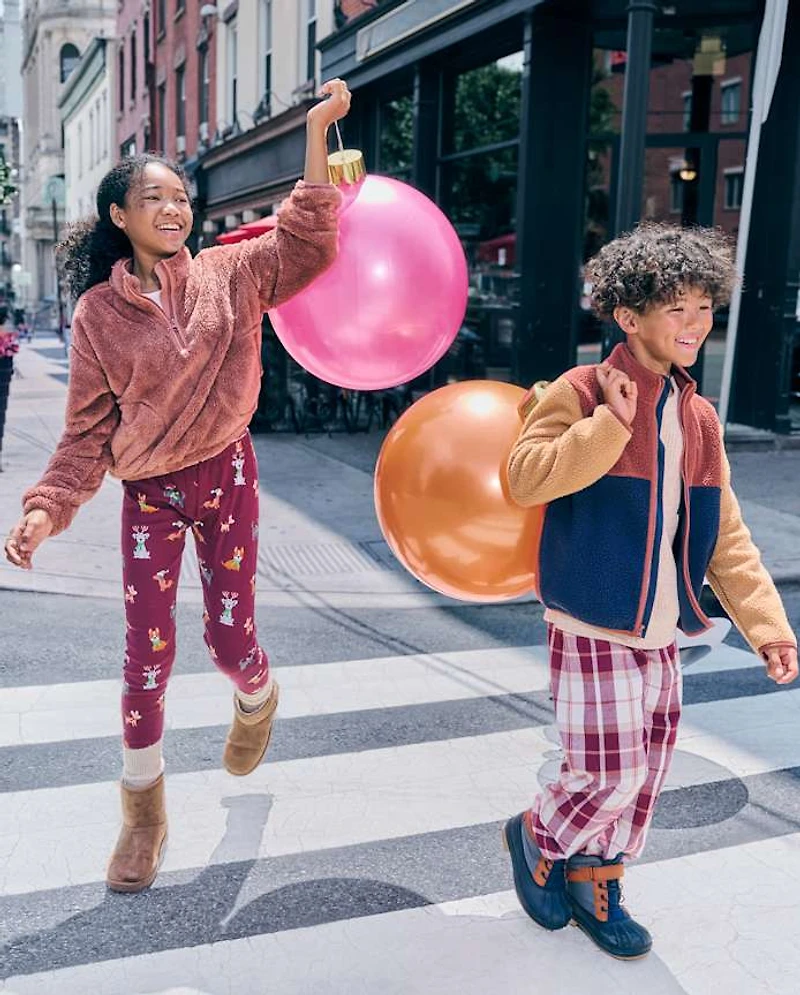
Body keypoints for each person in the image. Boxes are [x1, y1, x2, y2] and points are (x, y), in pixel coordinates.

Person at [3, 78, 351, 893]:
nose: (174, 208)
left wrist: (314, 130)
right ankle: (144, 814)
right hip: (151, 491)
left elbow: (307, 240)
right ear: (119, 215)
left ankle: (258, 696)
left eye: (182, 196)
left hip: (227, 470)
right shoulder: (96, 315)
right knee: (145, 655)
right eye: (153, 197)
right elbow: (87, 433)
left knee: (230, 644)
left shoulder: (233, 273)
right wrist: (42, 508)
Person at [502, 223, 798, 960]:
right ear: (629, 315)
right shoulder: (578, 390)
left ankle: (594, 877)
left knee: (647, 771)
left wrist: (768, 626)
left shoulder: (699, 417)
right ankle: (539, 835)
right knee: (608, 768)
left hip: (663, 626)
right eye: (678, 308)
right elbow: (523, 476)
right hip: (592, 616)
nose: (696, 324)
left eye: (704, 307)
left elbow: (725, 534)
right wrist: (610, 424)